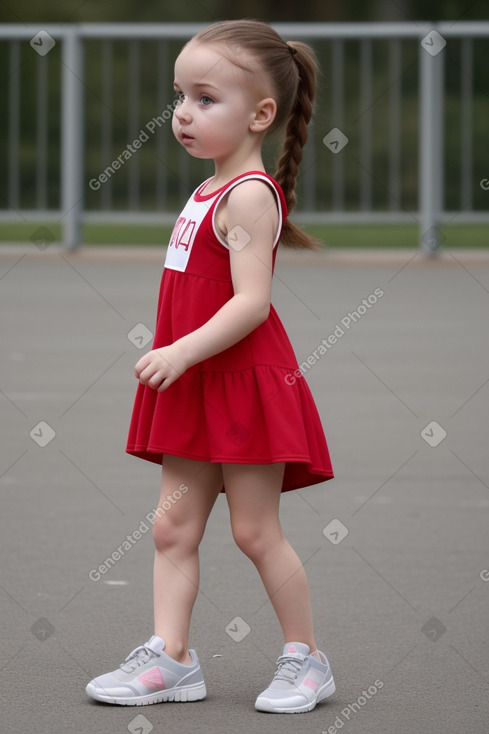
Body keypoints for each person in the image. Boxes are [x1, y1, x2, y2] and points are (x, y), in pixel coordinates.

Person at [86, 18, 335, 714]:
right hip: (195, 387)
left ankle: (305, 660)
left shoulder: (248, 194)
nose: (183, 114)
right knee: (171, 528)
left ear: (260, 114)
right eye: (179, 96)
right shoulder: (205, 191)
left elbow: (251, 304)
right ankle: (170, 659)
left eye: (204, 98)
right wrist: (182, 359)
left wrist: (180, 350)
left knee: (254, 531)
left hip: (242, 386)